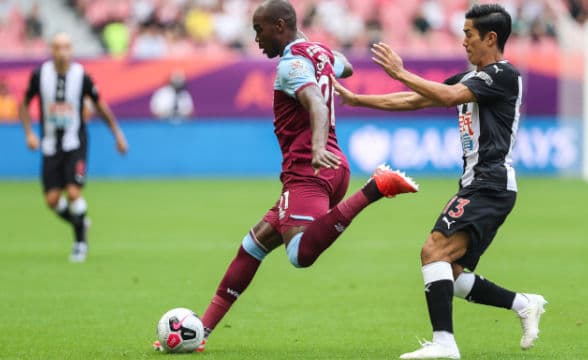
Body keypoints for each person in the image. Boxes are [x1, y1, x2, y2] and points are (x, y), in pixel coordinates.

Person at [152, 0, 418, 353]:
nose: (256, 39)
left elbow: (317, 104)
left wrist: (318, 146)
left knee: (299, 254)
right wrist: (311, 45)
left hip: (310, 167)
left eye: (260, 30)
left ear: (280, 26)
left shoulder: (291, 65)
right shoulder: (316, 53)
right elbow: (348, 67)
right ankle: (202, 332)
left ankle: (374, 188)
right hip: (331, 166)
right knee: (252, 247)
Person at [331, 4, 546, 359]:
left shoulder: (504, 75)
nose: (463, 42)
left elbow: (444, 96)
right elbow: (414, 99)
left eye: (468, 35)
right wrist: (357, 99)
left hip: (489, 183)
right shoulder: (471, 78)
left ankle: (444, 343)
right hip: (479, 184)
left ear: (490, 38)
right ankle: (524, 304)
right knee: (452, 273)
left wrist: (401, 72)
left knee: (433, 250)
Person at [20, 32, 128, 262]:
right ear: (51, 49)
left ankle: (80, 243)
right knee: (51, 200)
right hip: (50, 144)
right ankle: (80, 221)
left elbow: (101, 107)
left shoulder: (82, 77)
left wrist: (117, 135)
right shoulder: (40, 75)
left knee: (73, 192)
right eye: (58, 47)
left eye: (67, 47)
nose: (63, 52)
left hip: (75, 142)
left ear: (72, 49)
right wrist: (29, 133)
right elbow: (24, 103)